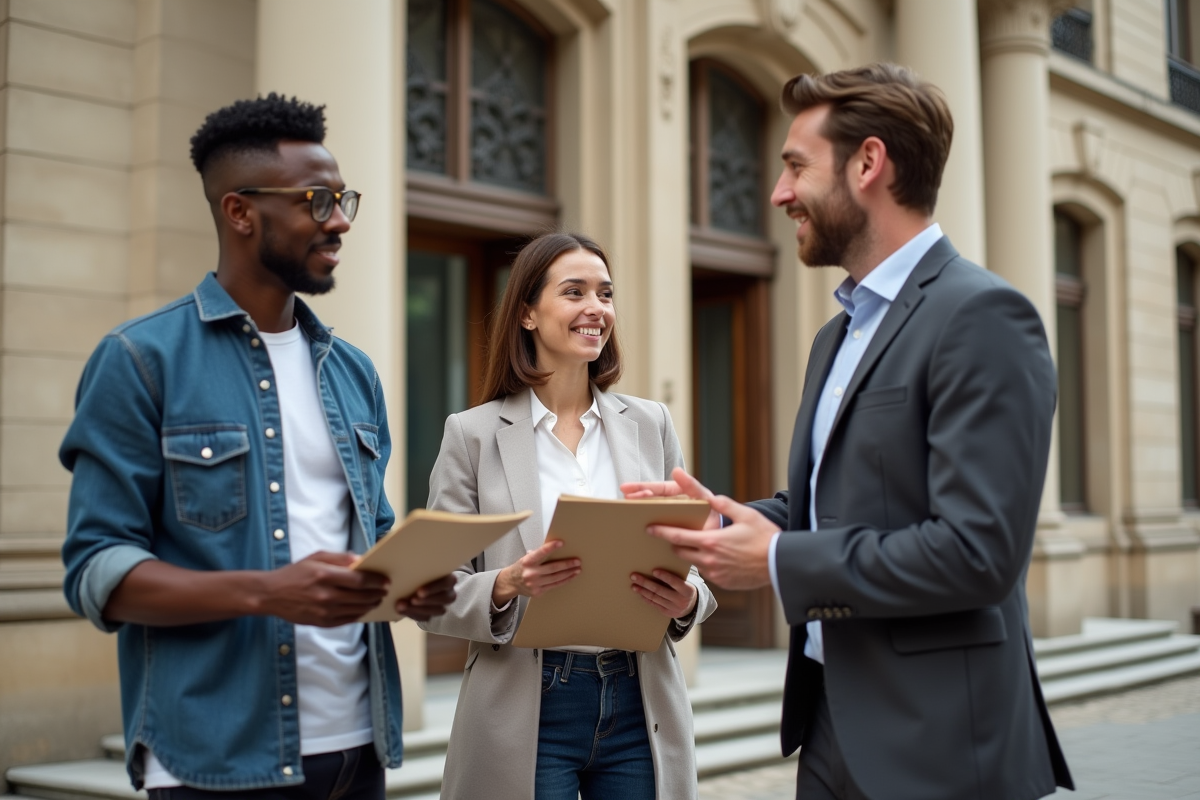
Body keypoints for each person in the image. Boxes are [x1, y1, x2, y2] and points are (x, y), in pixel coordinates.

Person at [624, 64, 1075, 800]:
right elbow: (833, 510)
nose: (778, 193)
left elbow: (978, 553)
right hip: (832, 727)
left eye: (796, 166)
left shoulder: (985, 317)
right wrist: (713, 521)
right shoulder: (835, 338)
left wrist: (778, 561)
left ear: (869, 163)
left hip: (941, 750)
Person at [59, 94, 457, 799]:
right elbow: (99, 573)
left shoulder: (353, 370)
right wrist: (268, 593)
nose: (339, 222)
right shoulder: (140, 360)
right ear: (240, 212)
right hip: (216, 759)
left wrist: (411, 585)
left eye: (344, 200)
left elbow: (372, 537)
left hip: (358, 748)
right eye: (318, 201)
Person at [417, 232, 717, 800]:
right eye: (574, 292)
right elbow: (430, 591)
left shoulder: (651, 424)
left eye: (605, 294)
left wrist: (689, 601)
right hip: (527, 703)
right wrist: (505, 584)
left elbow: (693, 556)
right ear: (527, 314)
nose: (596, 309)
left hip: (639, 698)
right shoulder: (473, 435)